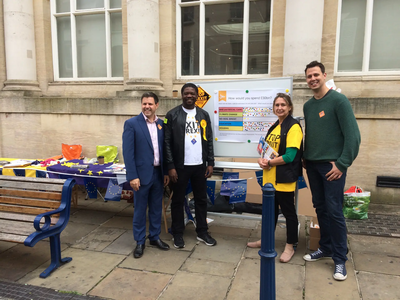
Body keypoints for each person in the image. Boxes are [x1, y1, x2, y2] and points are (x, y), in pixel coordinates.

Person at [302, 61, 361, 281]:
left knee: (335, 211)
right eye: (309, 76)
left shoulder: (339, 101)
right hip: (313, 165)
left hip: (332, 167)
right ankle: (325, 247)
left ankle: (339, 259)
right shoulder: (308, 106)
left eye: (316, 75)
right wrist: (306, 157)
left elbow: (353, 137)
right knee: (321, 208)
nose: (313, 79)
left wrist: (342, 164)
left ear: (324, 75)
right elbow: (313, 134)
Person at [247, 93, 303, 263]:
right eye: (277, 105)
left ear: (290, 107)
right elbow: (266, 150)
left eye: (283, 105)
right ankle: (266, 240)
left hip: (284, 179)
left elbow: (290, 156)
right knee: (269, 213)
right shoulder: (274, 126)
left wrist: (269, 162)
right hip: (269, 180)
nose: (279, 108)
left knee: (289, 214)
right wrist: (261, 159)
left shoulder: (293, 127)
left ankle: (290, 245)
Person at [164, 83, 216, 249]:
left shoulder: (203, 115)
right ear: (182, 95)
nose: (189, 96)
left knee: (201, 200)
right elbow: (166, 142)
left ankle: (202, 231)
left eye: (192, 93)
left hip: (199, 166)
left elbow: (208, 139)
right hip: (180, 167)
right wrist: (170, 166)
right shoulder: (172, 115)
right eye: (186, 93)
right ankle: (177, 233)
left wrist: (211, 162)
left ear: (196, 96)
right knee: (178, 200)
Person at [122, 92, 170, 258]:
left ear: (157, 105)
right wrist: (133, 176)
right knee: (140, 210)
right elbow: (128, 153)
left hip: (158, 174)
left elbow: (163, 151)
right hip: (140, 176)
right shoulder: (131, 124)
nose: (147, 107)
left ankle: (154, 237)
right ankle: (140, 241)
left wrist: (165, 173)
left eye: (150, 104)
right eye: (144, 104)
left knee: (157, 208)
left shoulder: (162, 124)